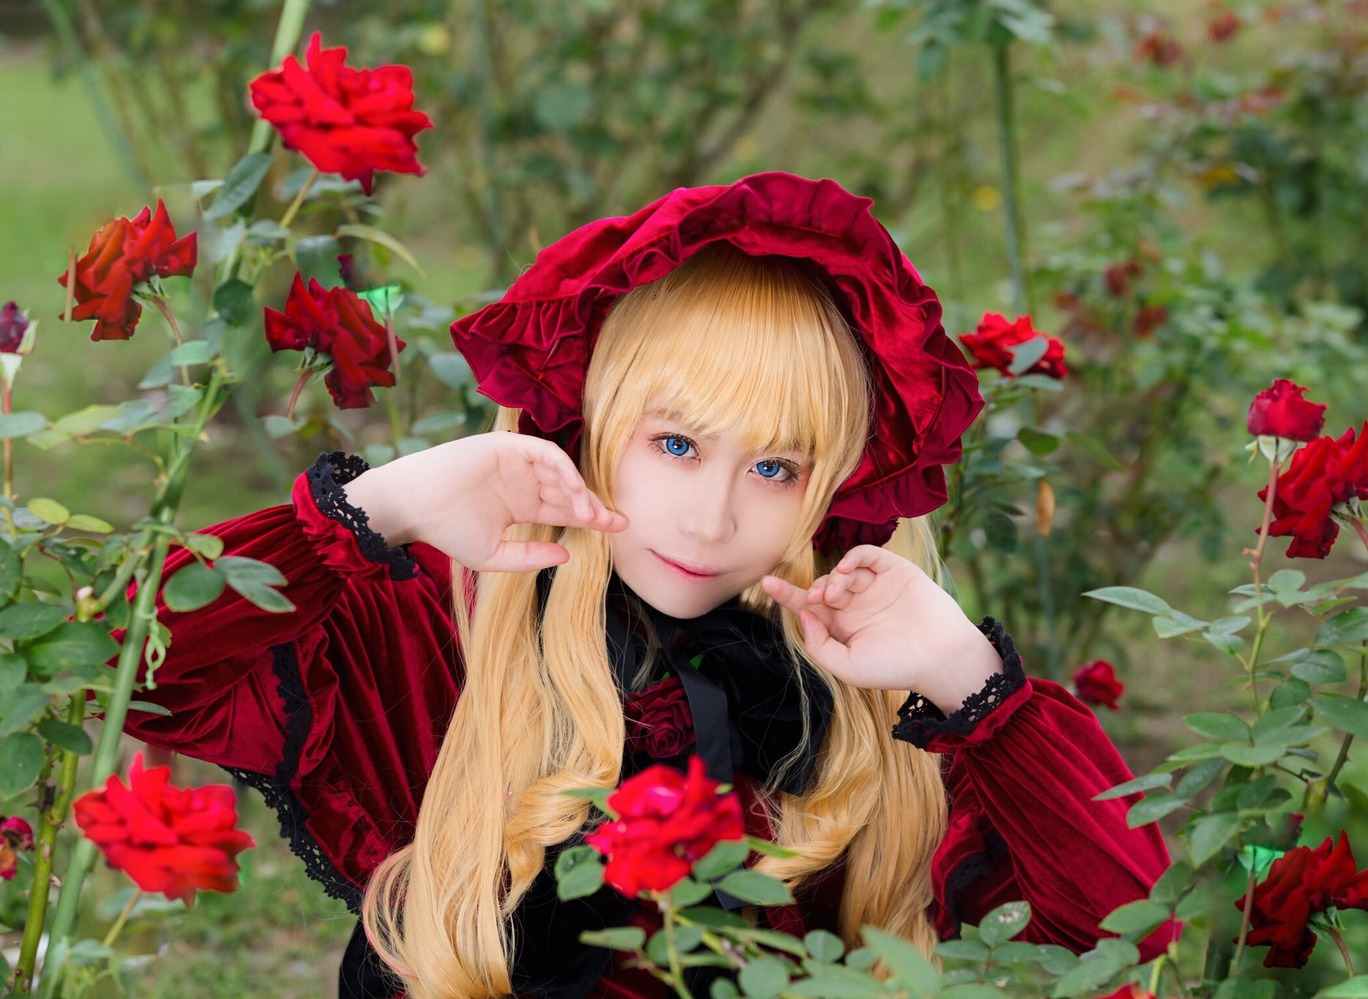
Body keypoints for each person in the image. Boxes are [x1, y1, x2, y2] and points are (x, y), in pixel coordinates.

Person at [124, 172, 1172, 999]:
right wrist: (376, 511)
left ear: (838, 488)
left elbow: (1127, 931)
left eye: (776, 468)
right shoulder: (434, 621)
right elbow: (138, 667)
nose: (712, 518)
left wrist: (967, 678)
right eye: (676, 443)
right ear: (592, 420)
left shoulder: (866, 702)